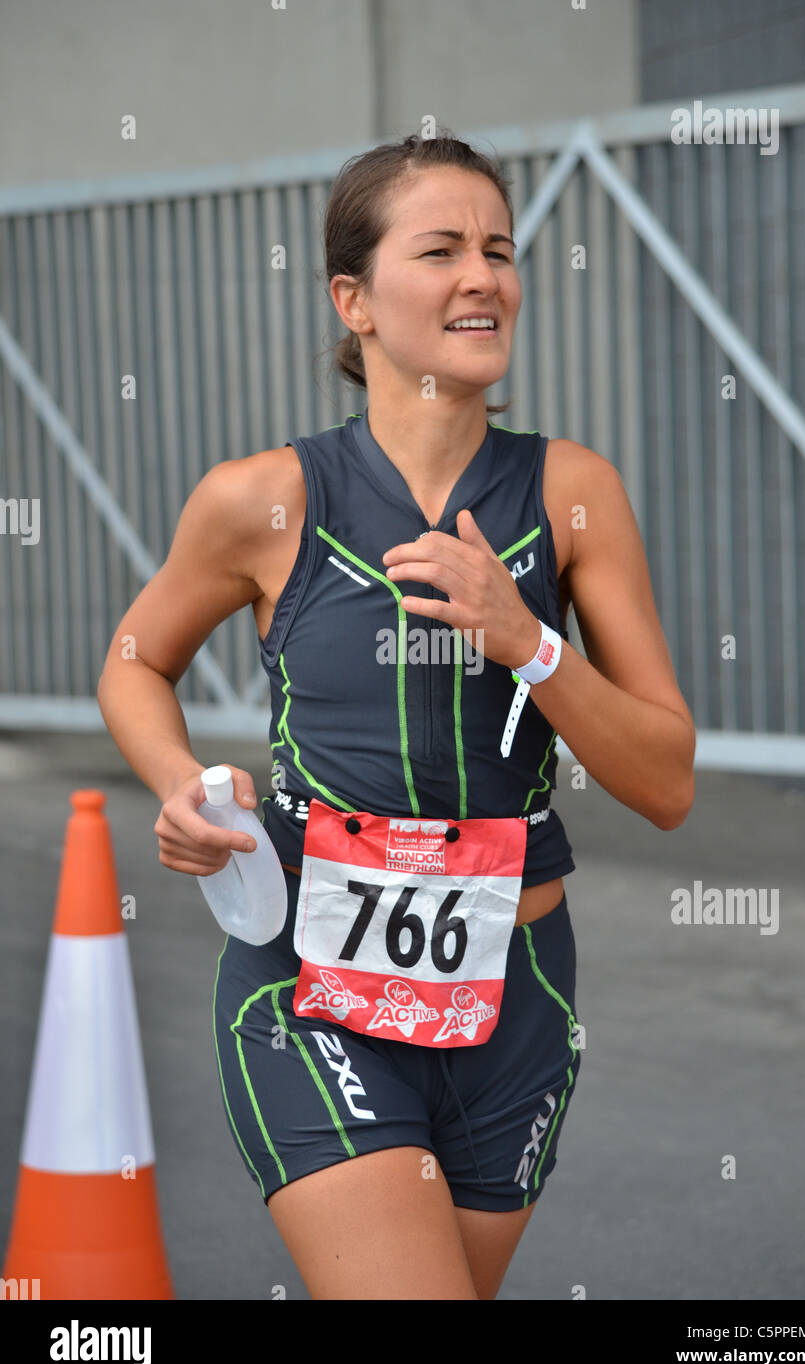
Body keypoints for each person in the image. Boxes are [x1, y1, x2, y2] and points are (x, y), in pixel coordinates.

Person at [97, 130, 696, 1301]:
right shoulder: (261, 499)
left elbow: (667, 780)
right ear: (354, 299)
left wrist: (526, 639)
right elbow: (133, 659)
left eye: (499, 250)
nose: (484, 276)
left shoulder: (571, 493)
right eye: (441, 250)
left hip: (517, 983)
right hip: (308, 975)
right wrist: (176, 779)